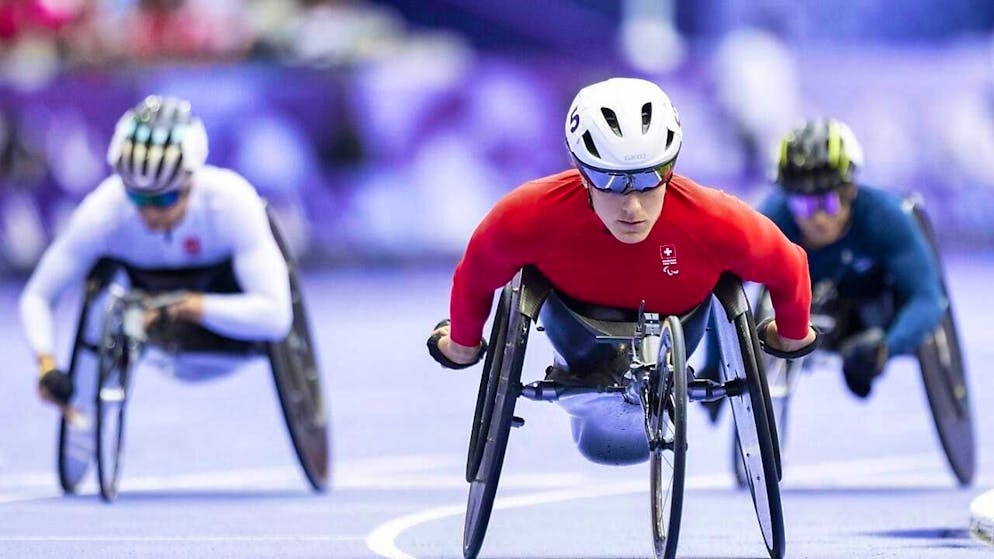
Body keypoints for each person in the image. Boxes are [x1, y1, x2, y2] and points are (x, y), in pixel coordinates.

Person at [427, 77, 817, 375]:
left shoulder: (715, 219)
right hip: (574, 326)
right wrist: (463, 341)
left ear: (670, 168)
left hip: (681, 328)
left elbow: (789, 265)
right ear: (582, 173)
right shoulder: (529, 214)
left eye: (649, 180)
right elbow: (477, 270)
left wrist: (792, 332)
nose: (632, 205)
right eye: (611, 181)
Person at [20, 95, 292, 409]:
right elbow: (38, 295)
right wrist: (46, 362)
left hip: (236, 337)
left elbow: (276, 318)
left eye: (163, 200)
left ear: (191, 180)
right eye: (138, 198)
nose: (150, 214)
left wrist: (188, 306)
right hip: (153, 339)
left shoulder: (231, 202)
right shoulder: (104, 212)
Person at [760, 118, 945, 397]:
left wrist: (886, 347)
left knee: (870, 339)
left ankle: (863, 354)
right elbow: (728, 284)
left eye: (828, 202)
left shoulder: (885, 216)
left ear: (850, 191)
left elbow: (928, 299)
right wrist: (716, 367)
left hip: (873, 309)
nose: (818, 218)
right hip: (803, 307)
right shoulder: (773, 217)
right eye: (805, 204)